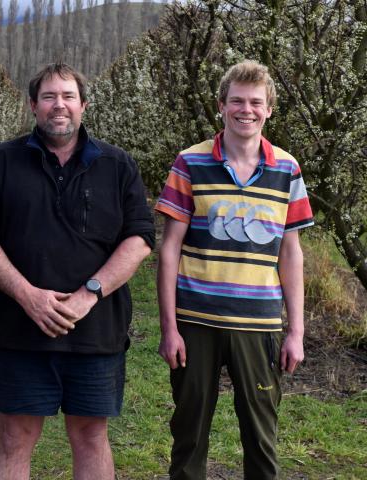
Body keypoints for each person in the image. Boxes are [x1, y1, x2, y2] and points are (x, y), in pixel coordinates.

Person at [0, 62, 155, 479]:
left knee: (90, 435)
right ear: (34, 106)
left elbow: (139, 239)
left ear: (83, 105)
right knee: (15, 435)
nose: (58, 105)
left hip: (97, 329)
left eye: (68, 96)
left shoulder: (118, 165)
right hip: (19, 327)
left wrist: (87, 296)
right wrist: (27, 295)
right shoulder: (0, 162)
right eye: (48, 97)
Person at [155, 60, 315, 479]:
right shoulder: (190, 163)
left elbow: (290, 254)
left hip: (259, 326)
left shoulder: (287, 169)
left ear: (269, 109)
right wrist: (168, 328)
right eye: (237, 101)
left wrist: (295, 331)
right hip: (195, 323)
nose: (247, 110)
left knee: (261, 440)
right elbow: (169, 248)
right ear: (221, 106)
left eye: (256, 102)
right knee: (188, 435)